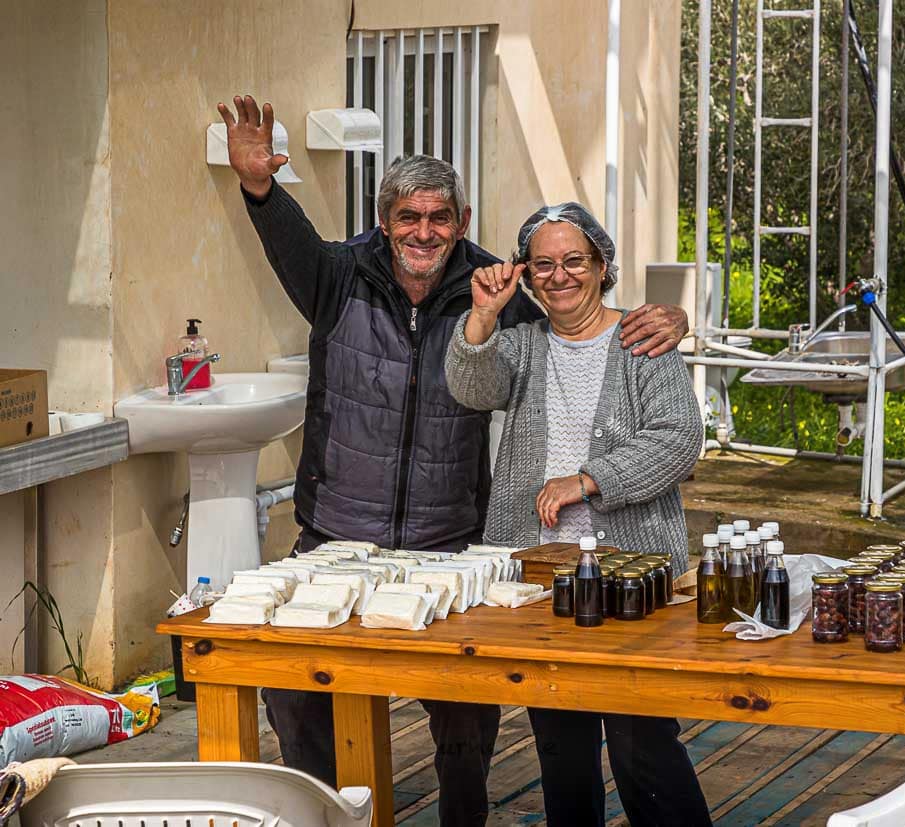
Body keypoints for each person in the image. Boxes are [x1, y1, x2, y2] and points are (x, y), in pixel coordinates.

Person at [215, 95, 690, 826]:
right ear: (385, 221)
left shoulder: (500, 290)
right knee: (299, 700)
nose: (424, 231)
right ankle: (332, 814)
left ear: (462, 223)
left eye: (440, 217)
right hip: (337, 535)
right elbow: (292, 242)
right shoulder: (339, 277)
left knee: (466, 727)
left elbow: (576, 318)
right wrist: (259, 187)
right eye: (409, 217)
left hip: (451, 543)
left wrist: (663, 319)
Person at [445, 202, 711, 826]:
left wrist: (588, 481)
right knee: (560, 743)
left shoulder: (644, 339)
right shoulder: (520, 345)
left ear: (601, 265)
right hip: (540, 577)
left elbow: (678, 439)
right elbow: (470, 387)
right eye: (544, 265)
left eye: (574, 261)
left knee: (640, 738)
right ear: (527, 277)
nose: (559, 276)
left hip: (633, 573)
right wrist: (482, 314)